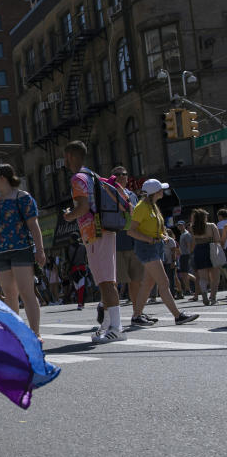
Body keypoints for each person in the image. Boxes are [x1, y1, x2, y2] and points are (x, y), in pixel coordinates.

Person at [63, 140, 125, 342]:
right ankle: (107, 324)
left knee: (107, 281)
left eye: (65, 156)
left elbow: (81, 207)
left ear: (71, 156)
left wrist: (69, 215)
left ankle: (117, 327)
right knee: (104, 281)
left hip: (95, 232)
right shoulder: (92, 175)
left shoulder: (78, 178)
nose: (64, 160)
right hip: (102, 230)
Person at [0, 164, 45, 336]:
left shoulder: (23, 198)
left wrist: (40, 250)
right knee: (9, 294)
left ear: (3, 178)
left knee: (26, 291)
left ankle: (35, 334)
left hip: (21, 249)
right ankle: (16, 335)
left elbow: (33, 225)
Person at [126, 179, 197, 326]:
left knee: (148, 283)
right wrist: (149, 239)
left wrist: (165, 237)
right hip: (147, 248)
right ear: (154, 192)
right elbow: (131, 231)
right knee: (163, 282)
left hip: (155, 246)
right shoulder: (141, 207)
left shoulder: (152, 206)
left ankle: (136, 316)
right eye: (160, 190)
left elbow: (158, 227)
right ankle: (178, 316)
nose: (162, 192)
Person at [110, 166, 145, 308]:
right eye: (117, 174)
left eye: (124, 174)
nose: (121, 176)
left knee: (136, 280)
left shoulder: (132, 195)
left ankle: (137, 312)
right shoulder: (109, 194)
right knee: (114, 282)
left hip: (134, 243)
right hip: (117, 244)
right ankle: (108, 311)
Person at [189, 208, 221, 305]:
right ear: (204, 217)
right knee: (215, 277)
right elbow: (217, 239)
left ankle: (204, 294)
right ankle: (213, 298)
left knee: (203, 277)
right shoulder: (211, 226)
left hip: (199, 250)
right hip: (211, 249)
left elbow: (193, 242)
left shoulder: (192, 227)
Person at [176, 221, 199, 301]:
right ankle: (188, 288)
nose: (180, 227)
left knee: (185, 273)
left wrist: (189, 254)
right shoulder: (182, 234)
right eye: (178, 225)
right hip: (183, 255)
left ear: (184, 226)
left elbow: (189, 244)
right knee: (184, 273)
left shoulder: (186, 234)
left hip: (186, 255)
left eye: (181, 225)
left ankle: (189, 289)